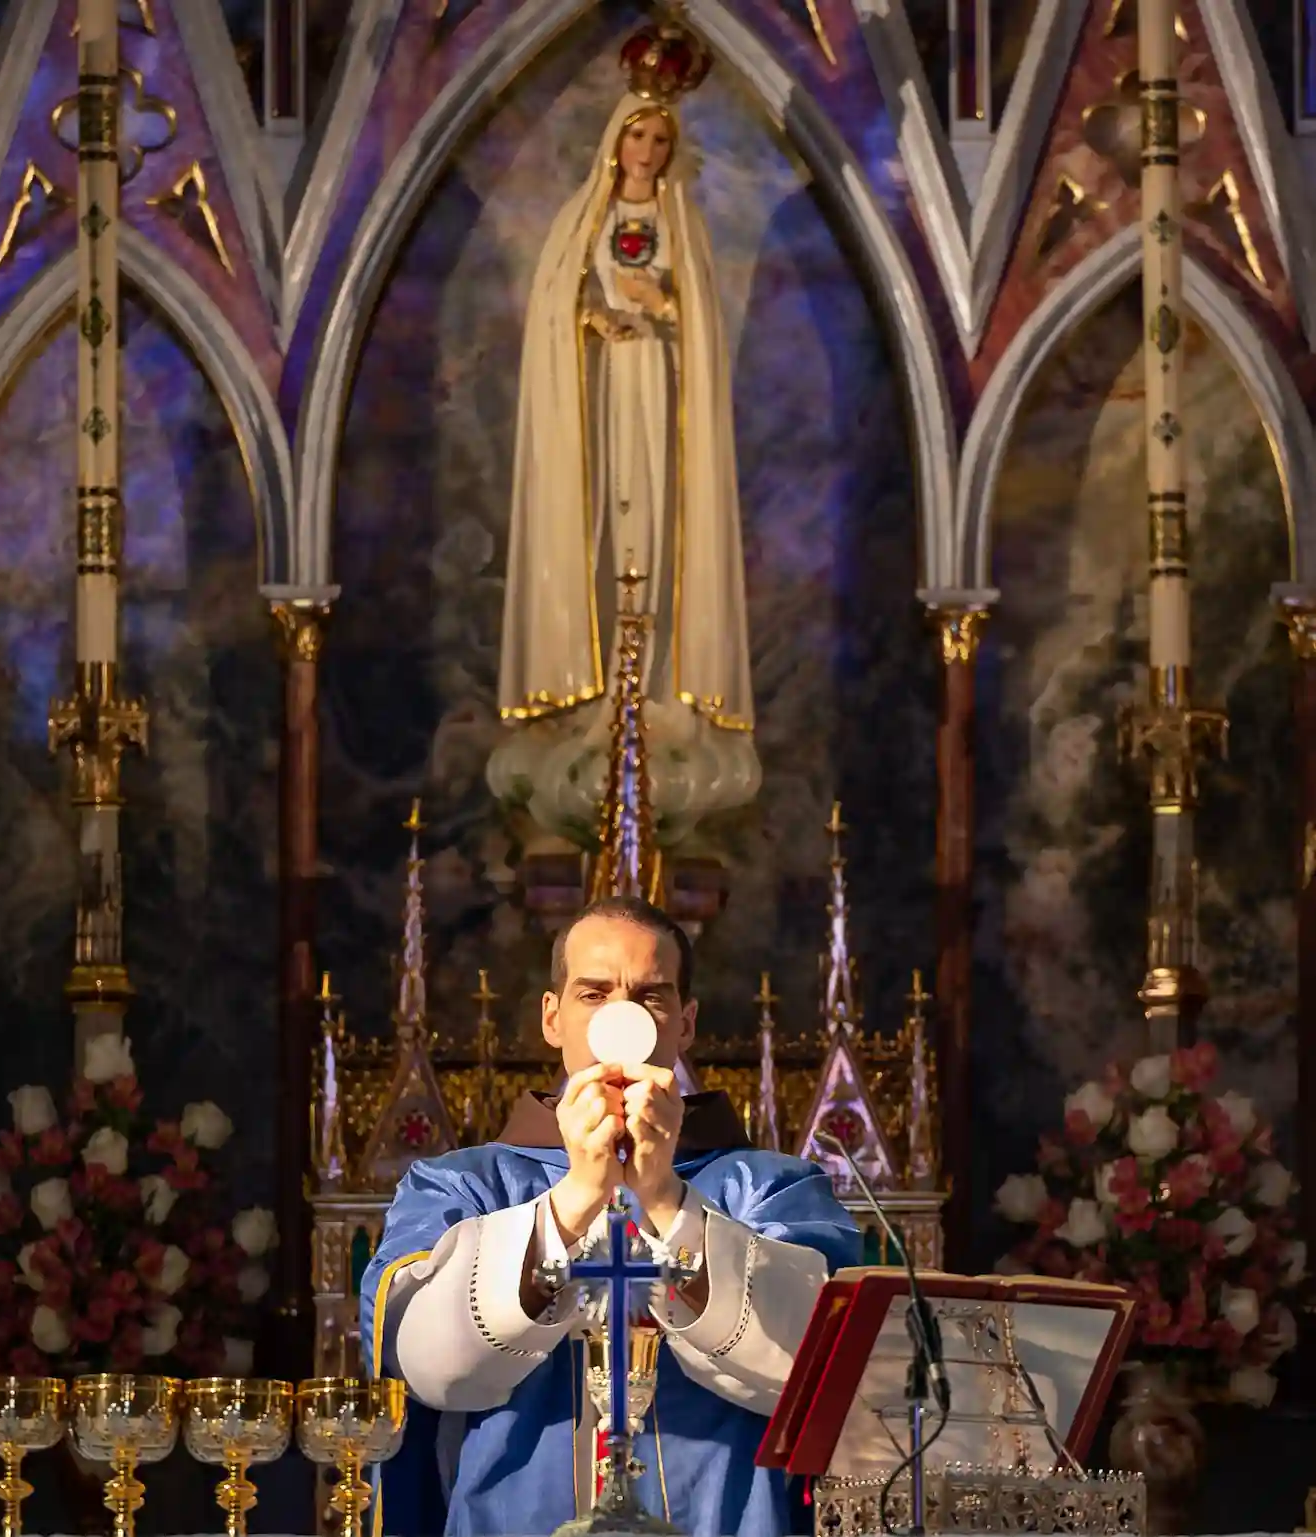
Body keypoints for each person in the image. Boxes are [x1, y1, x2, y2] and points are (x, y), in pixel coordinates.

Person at [361, 897, 859, 1537]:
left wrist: (664, 1201)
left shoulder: (773, 1189)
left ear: (685, 1023)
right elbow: (431, 1368)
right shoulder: (459, 1186)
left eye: (651, 998)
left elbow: (822, 1369)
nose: (622, 1019)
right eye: (594, 995)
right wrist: (578, 1197)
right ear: (552, 1017)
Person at [488, 26, 761, 843]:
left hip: (661, 393)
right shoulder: (581, 223)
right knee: (605, 518)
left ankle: (658, 689)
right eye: (637, 135)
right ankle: (594, 682)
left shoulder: (682, 224)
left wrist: (668, 308)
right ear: (616, 142)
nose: (646, 150)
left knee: (660, 522)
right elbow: (555, 312)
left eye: (659, 139)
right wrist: (598, 317)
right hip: (602, 392)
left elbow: (701, 324)